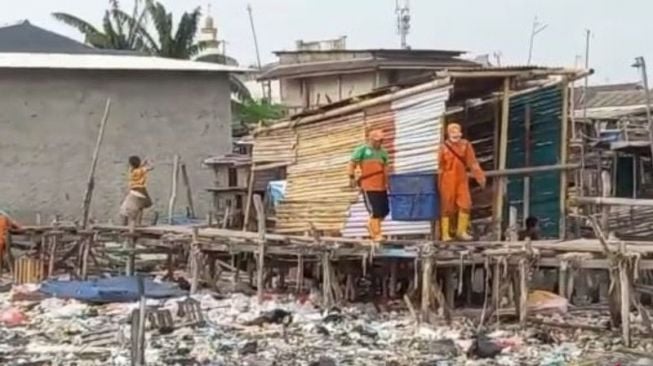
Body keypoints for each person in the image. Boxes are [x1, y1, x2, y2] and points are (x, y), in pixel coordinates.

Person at [438, 123, 486, 241]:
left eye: (457, 131)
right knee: (447, 206)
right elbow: (440, 167)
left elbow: (472, 162)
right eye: (452, 131)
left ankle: (461, 232)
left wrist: (480, 176)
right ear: (448, 133)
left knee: (466, 203)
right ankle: (445, 234)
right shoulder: (443, 147)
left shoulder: (465, 145)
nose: (455, 134)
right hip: (447, 179)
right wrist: (438, 183)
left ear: (460, 132)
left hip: (461, 178)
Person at [348, 129, 390, 243]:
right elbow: (352, 163)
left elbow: (386, 169)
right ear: (371, 140)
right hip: (369, 185)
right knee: (375, 211)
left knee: (385, 210)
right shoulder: (362, 150)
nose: (380, 143)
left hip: (381, 185)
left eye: (381, 140)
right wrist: (351, 177)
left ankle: (370, 225)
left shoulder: (383, 152)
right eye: (377, 140)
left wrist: (388, 183)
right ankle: (376, 234)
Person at [124, 156, 153, 225]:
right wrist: (149, 162)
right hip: (141, 190)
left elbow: (137, 166)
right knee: (141, 207)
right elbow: (151, 167)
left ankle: (134, 225)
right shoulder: (141, 170)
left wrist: (143, 163)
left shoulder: (131, 171)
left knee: (135, 209)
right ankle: (138, 223)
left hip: (134, 190)